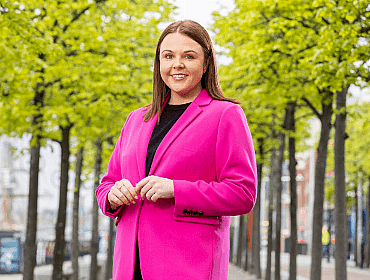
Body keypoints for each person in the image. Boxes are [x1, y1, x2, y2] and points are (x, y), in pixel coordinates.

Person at [95, 20, 257, 280]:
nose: (176, 64)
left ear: (205, 64)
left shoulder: (225, 115)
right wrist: (112, 196)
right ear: (159, 63)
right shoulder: (136, 120)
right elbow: (107, 184)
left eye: (188, 56)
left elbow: (243, 193)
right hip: (129, 265)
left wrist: (176, 190)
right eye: (168, 56)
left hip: (188, 265)